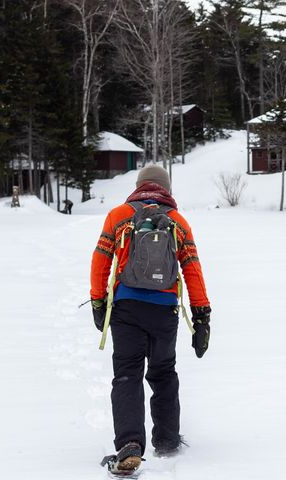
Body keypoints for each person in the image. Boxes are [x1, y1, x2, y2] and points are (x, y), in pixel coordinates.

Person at [89, 165, 211, 473]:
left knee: (127, 373)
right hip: (164, 309)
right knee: (163, 372)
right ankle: (167, 440)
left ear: (139, 186)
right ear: (166, 189)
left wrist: (98, 301)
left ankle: (130, 443)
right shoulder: (178, 222)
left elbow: (101, 259)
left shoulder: (118, 215)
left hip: (126, 308)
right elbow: (192, 270)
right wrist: (202, 316)